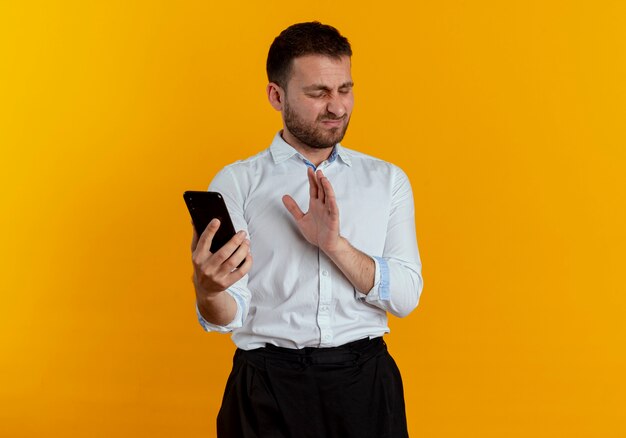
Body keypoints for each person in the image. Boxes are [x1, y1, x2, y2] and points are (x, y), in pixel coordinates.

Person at [191, 21, 423, 438]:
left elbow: (406, 297)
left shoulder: (388, 180)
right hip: (265, 390)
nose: (337, 107)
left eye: (345, 90)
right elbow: (230, 314)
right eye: (318, 93)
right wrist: (209, 292)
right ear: (276, 96)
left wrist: (334, 245)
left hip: (365, 387)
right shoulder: (237, 183)